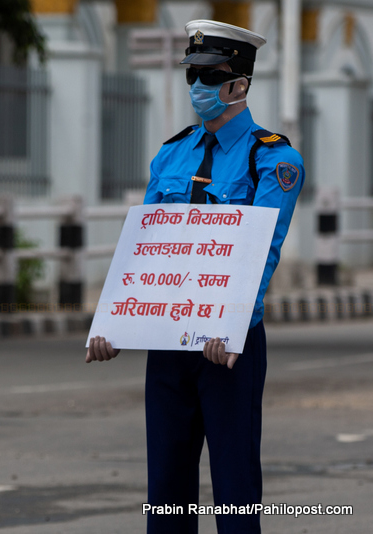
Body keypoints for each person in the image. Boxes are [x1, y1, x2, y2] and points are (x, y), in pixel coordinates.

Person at [87, 20, 304, 534]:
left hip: (227, 348)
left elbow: (263, 254)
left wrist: (228, 329)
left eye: (209, 77)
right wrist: (116, 324)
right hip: (167, 344)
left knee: (233, 490)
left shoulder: (271, 159)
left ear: (239, 85)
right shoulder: (171, 153)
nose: (197, 88)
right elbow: (148, 252)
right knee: (166, 490)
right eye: (192, 76)